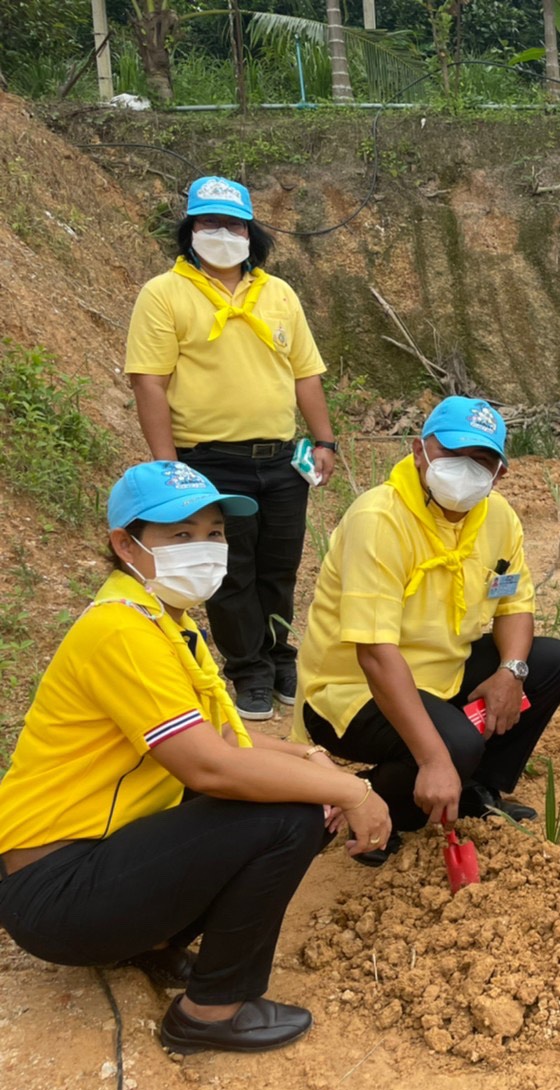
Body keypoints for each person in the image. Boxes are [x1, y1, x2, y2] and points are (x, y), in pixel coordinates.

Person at [0, 461, 392, 1055]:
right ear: (125, 544)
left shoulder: (163, 621)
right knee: (287, 815)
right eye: (179, 535)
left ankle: (151, 942)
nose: (204, 549)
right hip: (56, 892)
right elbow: (209, 767)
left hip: (85, 869)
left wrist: (313, 760)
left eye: (213, 533)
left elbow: (226, 736)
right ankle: (211, 1011)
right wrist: (349, 792)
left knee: (290, 788)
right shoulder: (122, 632)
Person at [294, 397, 560, 864]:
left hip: (443, 672)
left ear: (499, 474)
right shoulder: (379, 519)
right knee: (452, 744)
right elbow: (374, 654)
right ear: (418, 451)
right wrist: (432, 758)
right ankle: (377, 808)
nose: (465, 469)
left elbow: (515, 606)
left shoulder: (499, 518)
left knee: (550, 663)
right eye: (453, 454)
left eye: (482, 461)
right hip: (354, 689)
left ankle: (475, 789)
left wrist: (511, 671)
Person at [125, 175, 339, 723]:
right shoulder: (164, 294)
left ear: (251, 232)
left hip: (282, 459)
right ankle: (248, 670)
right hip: (210, 459)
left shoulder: (279, 293)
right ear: (190, 230)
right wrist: (167, 465)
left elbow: (306, 375)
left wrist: (324, 440)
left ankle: (280, 655)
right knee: (228, 571)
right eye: (209, 223)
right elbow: (149, 381)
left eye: (233, 224)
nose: (222, 234)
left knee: (280, 566)